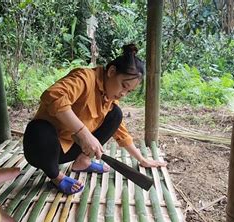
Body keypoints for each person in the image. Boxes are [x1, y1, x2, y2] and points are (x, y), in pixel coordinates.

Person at [23, 44, 167, 195]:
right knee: (39, 129)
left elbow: (120, 131)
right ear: (111, 71)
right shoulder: (84, 78)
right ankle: (56, 177)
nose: (124, 93)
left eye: (128, 91)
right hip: (44, 151)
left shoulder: (109, 96)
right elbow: (53, 96)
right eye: (124, 86)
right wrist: (83, 133)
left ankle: (82, 161)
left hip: (71, 148)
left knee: (115, 115)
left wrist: (141, 159)